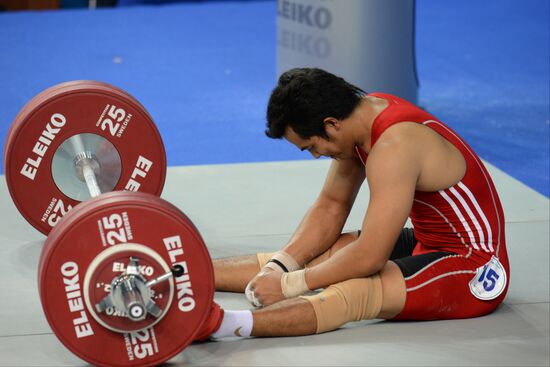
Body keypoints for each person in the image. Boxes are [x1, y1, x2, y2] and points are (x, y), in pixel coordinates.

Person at [196, 67, 510, 340]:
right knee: (315, 257)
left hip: (473, 264)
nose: (317, 156)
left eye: (312, 147)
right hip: (428, 242)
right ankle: (181, 274)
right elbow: (331, 205)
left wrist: (290, 284)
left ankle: (223, 325)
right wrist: (282, 267)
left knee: (358, 292)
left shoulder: (395, 144)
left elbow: (371, 256)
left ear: (331, 124)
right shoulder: (362, 119)